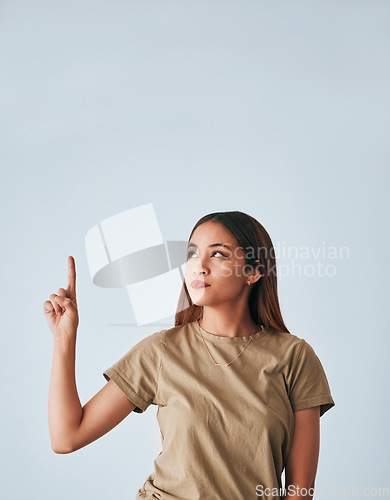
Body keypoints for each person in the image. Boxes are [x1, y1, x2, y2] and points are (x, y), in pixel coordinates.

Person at [44, 210, 335, 500]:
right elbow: (67, 437)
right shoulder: (160, 351)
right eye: (192, 254)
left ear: (253, 271)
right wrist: (64, 339)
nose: (199, 266)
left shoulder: (295, 358)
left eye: (218, 254)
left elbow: (300, 493)